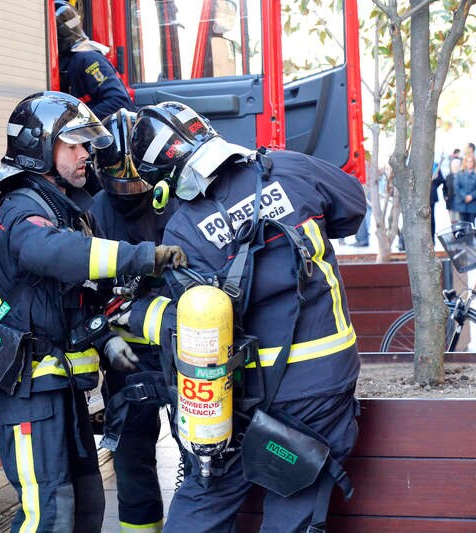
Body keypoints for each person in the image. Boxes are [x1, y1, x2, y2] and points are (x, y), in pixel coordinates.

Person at [123, 101, 365, 532]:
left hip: (239, 399)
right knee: (295, 505)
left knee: (206, 496)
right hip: (322, 385)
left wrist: (135, 312)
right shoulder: (291, 169)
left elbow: (192, 321)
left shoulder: (183, 228)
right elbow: (353, 208)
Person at [0, 91, 187, 532]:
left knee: (86, 507)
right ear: (40, 149)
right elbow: (56, 255)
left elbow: (74, 297)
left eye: (85, 144)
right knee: (48, 515)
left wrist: (106, 338)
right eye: (72, 145)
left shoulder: (64, 209)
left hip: (62, 391)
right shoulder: (21, 210)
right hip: (30, 395)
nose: (85, 154)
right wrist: (140, 256)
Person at [89, 108, 181, 533]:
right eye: (118, 187)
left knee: (202, 456)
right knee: (131, 459)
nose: (128, 194)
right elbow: (85, 293)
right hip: (125, 359)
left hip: (180, 350)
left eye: (135, 185)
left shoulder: (175, 199)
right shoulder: (92, 213)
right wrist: (105, 338)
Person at [54, 0, 134, 120]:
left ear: (60, 33)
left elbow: (118, 102)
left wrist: (78, 122)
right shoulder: (67, 61)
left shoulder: (88, 59)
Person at [455, 154, 476, 224]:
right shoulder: (460, 174)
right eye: (468, 161)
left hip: (473, 205)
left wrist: (471, 196)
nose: (469, 163)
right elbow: (456, 187)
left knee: (471, 226)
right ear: (465, 163)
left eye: (471, 161)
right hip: (462, 204)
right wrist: (464, 196)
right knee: (462, 225)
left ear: (474, 163)